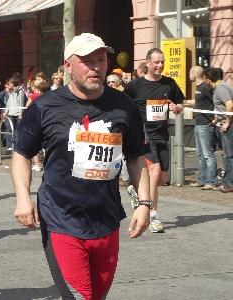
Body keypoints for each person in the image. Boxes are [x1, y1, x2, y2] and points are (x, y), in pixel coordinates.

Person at [12, 33, 151, 300]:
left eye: (101, 60)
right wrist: (22, 198)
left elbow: (135, 156)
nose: (96, 67)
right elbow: (21, 154)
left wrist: (144, 203)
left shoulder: (124, 106)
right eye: (87, 61)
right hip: (61, 219)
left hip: (107, 221)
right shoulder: (44, 107)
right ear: (68, 66)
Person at [124, 48, 184, 233]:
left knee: (160, 179)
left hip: (162, 135)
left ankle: (138, 190)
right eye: (156, 62)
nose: (160, 65)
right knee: (154, 171)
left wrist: (177, 108)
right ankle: (153, 215)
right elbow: (123, 105)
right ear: (147, 63)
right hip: (144, 135)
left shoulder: (169, 84)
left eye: (162, 62)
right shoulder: (135, 86)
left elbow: (181, 103)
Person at [204, 67, 233, 193]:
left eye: (205, 79)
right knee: (226, 154)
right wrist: (216, 120)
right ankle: (228, 181)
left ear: (208, 79)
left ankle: (229, 183)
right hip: (224, 123)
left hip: (230, 125)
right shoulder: (218, 87)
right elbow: (220, 107)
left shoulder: (221, 88)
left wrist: (227, 122)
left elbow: (229, 104)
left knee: (229, 155)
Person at [189, 66, 218, 190]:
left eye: (190, 73)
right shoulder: (199, 88)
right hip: (198, 123)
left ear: (194, 75)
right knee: (201, 154)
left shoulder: (206, 87)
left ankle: (211, 181)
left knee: (208, 154)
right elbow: (201, 103)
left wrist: (216, 118)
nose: (189, 75)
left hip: (206, 124)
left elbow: (216, 102)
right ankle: (202, 179)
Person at [25, 79, 51, 171]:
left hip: (36, 122)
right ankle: (47, 164)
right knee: (46, 146)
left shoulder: (34, 96)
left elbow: (27, 106)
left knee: (36, 144)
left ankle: (37, 164)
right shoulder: (50, 97)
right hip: (48, 122)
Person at [3, 77, 27, 150]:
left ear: (13, 83)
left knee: (18, 130)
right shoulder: (12, 92)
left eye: (10, 83)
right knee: (9, 129)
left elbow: (21, 103)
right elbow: (9, 103)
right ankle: (10, 145)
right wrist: (6, 111)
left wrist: (20, 113)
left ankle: (18, 144)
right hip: (11, 113)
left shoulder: (20, 92)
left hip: (17, 114)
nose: (9, 84)